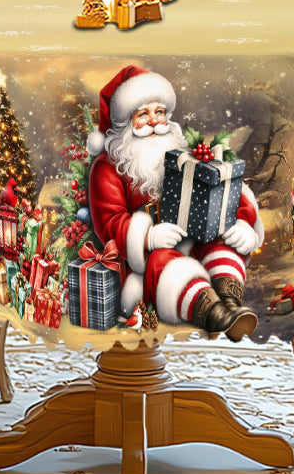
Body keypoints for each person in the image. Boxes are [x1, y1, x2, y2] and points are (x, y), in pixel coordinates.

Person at [87, 65, 262, 341]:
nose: (153, 121)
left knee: (223, 236)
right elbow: (109, 222)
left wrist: (242, 221)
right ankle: (212, 311)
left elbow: (222, 186)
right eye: (142, 114)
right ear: (125, 122)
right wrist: (147, 237)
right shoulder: (108, 167)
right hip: (146, 260)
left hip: (192, 240)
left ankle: (229, 301)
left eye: (159, 111)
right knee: (164, 262)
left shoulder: (181, 150)